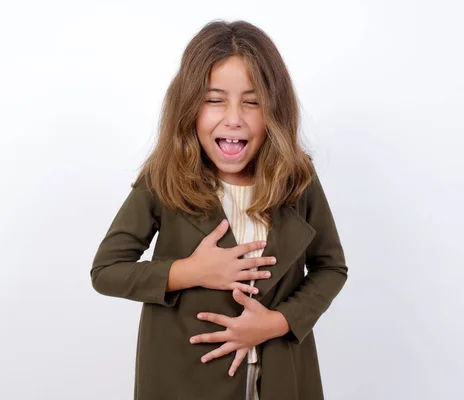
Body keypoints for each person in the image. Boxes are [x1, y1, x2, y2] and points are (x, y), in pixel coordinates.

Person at [90, 19, 348, 400]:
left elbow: (331, 268)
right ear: (189, 107)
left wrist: (277, 322)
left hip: (281, 379)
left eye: (252, 101)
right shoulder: (164, 179)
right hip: (183, 381)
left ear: (275, 109)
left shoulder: (297, 179)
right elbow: (106, 270)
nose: (233, 118)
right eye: (214, 100)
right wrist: (190, 271)